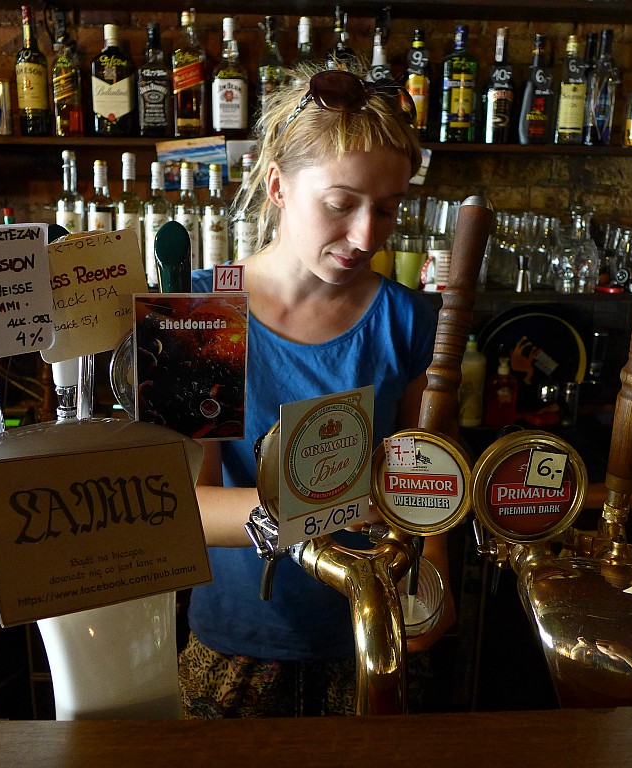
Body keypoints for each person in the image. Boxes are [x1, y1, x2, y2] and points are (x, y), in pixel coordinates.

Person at [182, 66, 455, 718]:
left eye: (386, 208)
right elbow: (186, 509)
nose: (366, 236)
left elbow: (430, 470)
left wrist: (434, 583)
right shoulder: (198, 312)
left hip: (371, 633)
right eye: (340, 204)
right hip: (238, 640)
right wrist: (329, 508)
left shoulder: (408, 319)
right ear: (278, 185)